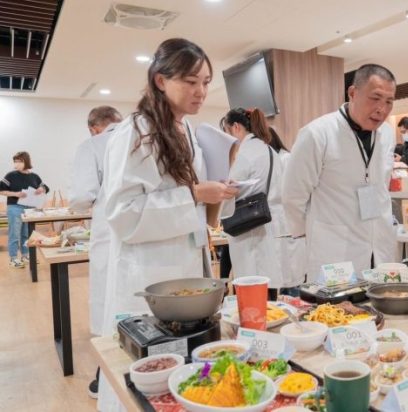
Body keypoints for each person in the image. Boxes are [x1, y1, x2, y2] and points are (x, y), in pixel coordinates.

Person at [97, 38, 237, 411]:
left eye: (207, 82)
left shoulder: (186, 130)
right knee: (145, 381)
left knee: (184, 378)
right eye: (191, 81)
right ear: (161, 80)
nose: (202, 91)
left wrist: (213, 195)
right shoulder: (136, 133)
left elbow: (192, 197)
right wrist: (193, 194)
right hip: (148, 274)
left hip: (187, 267)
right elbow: (123, 214)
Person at [283, 64, 397, 280]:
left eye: (389, 102)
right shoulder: (317, 134)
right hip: (335, 253)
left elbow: (381, 186)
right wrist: (310, 237)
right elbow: (292, 196)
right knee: (337, 313)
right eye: (375, 98)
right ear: (353, 93)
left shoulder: (388, 134)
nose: (382, 109)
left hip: (379, 248)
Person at [67, 105, 122, 399]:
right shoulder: (142, 138)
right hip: (148, 233)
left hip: (110, 233)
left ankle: (106, 375)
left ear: (93, 127)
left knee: (108, 304)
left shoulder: (92, 146)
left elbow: (80, 197)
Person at [219, 108, 284, 291]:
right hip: (271, 222)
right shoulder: (270, 151)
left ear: (236, 127)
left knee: (251, 282)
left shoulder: (246, 154)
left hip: (248, 225)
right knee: (268, 280)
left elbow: (230, 190)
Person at [269, 127, 306, 293]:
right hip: (276, 220)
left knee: (291, 270)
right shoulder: (272, 158)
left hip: (288, 217)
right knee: (283, 268)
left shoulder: (286, 158)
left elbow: (294, 190)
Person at [0, 152, 49, 268]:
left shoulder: (34, 176)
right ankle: (13, 258)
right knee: (14, 234)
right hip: (15, 208)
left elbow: (46, 187)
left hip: (30, 209)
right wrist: (16, 193)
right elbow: (1, 190)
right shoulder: (11, 175)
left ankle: (26, 255)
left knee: (27, 234)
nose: (16, 164)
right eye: (15, 161)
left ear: (25, 161)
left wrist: (41, 189)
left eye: (19, 161)